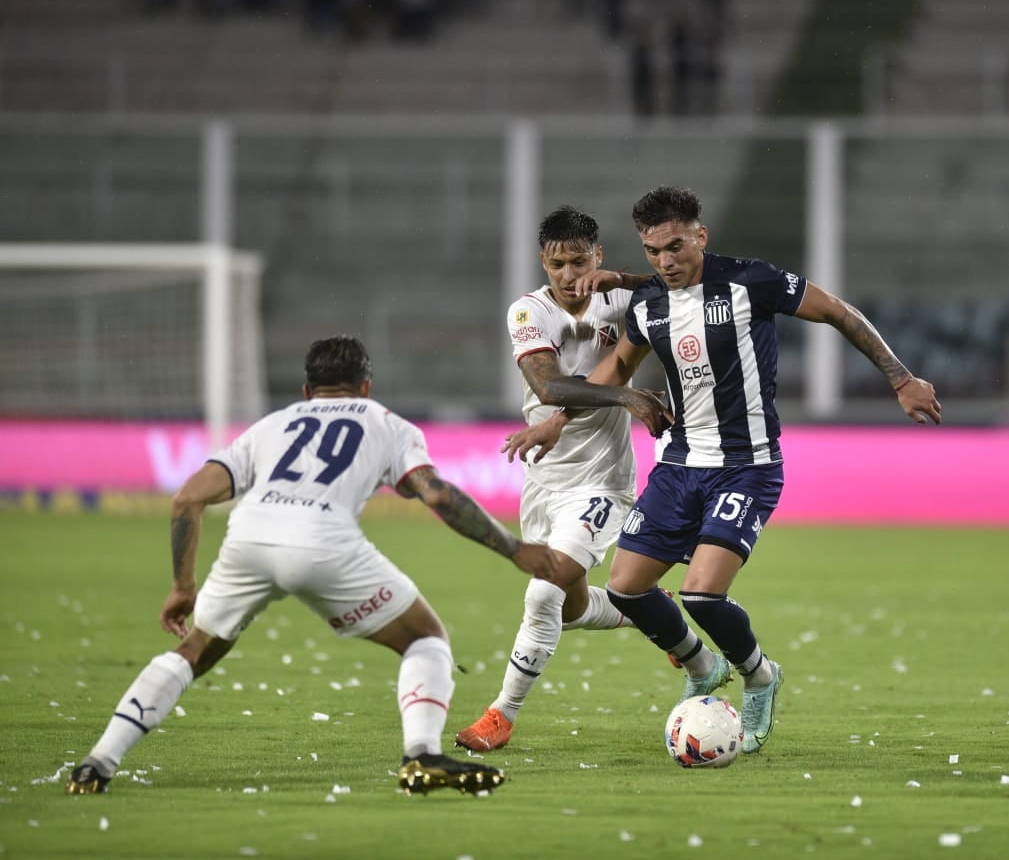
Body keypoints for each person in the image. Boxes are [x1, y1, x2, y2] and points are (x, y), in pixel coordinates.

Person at [502, 185, 942, 755]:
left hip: (747, 464)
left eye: (676, 246)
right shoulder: (650, 303)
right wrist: (557, 418)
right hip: (681, 462)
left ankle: (760, 677)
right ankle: (701, 669)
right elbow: (613, 369)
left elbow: (836, 311)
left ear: (700, 236)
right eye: (653, 250)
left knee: (702, 596)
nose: (666, 261)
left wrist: (900, 377)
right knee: (627, 589)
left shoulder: (749, 282)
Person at [65, 336, 560, 797]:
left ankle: (98, 763)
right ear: (366, 386)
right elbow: (438, 495)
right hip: (324, 543)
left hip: (249, 539)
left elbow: (186, 499)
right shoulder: (386, 422)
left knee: (194, 651)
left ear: (306, 390)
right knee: (424, 638)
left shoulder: (272, 426)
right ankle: (422, 755)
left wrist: (181, 585)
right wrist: (515, 549)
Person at [453, 206, 667, 753]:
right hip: (545, 481)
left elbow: (685, 281)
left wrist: (624, 279)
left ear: (597, 255)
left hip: (603, 481)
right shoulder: (528, 312)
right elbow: (549, 387)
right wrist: (626, 396)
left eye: (579, 262)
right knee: (567, 607)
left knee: (542, 591)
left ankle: (501, 715)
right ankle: (648, 611)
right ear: (543, 264)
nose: (569, 277)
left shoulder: (622, 299)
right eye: (556, 266)